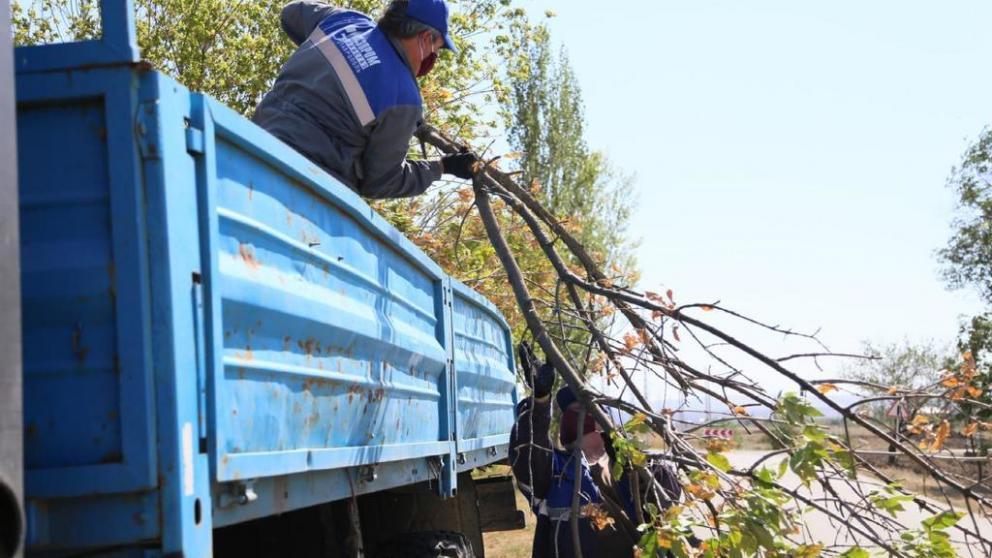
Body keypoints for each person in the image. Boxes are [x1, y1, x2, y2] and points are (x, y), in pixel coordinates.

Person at [253, 0, 478, 199]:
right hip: (309, 184)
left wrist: (327, 61)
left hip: (256, 139)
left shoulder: (346, 22)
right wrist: (441, 167)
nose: (433, 58)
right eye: (436, 49)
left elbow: (290, 12)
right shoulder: (404, 98)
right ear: (426, 38)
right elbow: (381, 183)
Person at [508, 343, 684, 558]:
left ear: (605, 423)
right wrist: (540, 402)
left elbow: (668, 500)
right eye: (569, 412)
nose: (574, 417)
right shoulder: (555, 470)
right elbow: (527, 455)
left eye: (585, 410)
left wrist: (629, 461)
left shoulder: (631, 467)